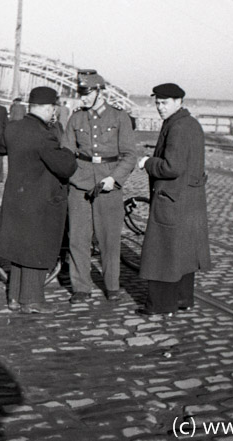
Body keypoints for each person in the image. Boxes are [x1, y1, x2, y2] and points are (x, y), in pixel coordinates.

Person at [0, 86, 78, 313]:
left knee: (18, 249)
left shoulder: (13, 128)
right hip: (40, 202)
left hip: (16, 198)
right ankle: (32, 301)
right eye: (53, 110)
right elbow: (66, 167)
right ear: (49, 108)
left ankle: (14, 298)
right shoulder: (44, 135)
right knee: (36, 249)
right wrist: (69, 151)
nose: (54, 114)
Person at [135, 83, 211, 316]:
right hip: (190, 200)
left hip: (171, 198)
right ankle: (182, 300)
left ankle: (160, 306)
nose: (159, 107)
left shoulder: (176, 127)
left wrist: (147, 163)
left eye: (164, 103)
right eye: (157, 103)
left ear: (179, 102)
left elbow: (171, 167)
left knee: (162, 253)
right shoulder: (192, 124)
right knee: (184, 253)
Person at [61, 71, 136, 303]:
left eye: (86, 93)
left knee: (109, 238)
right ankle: (81, 287)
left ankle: (112, 285)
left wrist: (114, 178)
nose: (82, 98)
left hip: (109, 182)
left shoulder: (119, 117)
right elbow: (66, 151)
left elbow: (130, 154)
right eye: (80, 93)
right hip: (80, 183)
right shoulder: (76, 118)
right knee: (78, 238)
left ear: (99, 92)